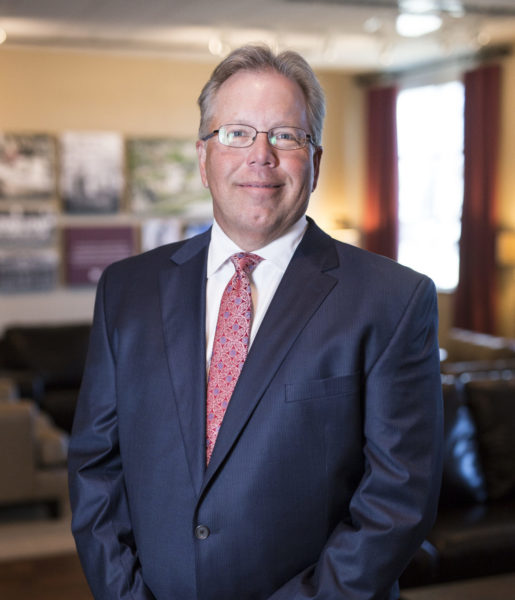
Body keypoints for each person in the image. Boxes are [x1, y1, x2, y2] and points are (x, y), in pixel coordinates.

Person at [68, 45, 443, 600]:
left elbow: (397, 501)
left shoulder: (393, 299)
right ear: (203, 158)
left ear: (315, 161)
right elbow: (95, 469)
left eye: (285, 136)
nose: (260, 156)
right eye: (237, 133)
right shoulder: (127, 291)